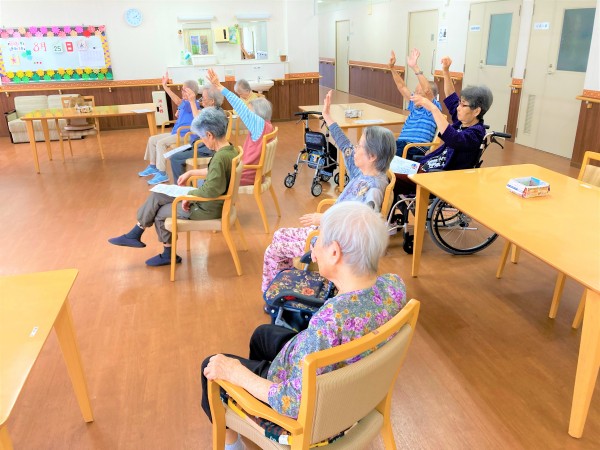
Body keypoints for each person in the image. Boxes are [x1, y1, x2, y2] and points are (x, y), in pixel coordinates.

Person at [201, 202, 407, 449]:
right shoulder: (394, 287)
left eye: (318, 241)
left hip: (313, 413)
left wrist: (236, 374)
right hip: (356, 391)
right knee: (262, 335)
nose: (314, 251)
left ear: (334, 252)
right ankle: (253, 410)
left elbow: (291, 401)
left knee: (210, 366)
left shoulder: (329, 323)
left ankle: (241, 435)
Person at [260, 89, 395, 292]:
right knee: (279, 234)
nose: (354, 149)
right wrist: (327, 116)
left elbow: (359, 228)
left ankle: (271, 293)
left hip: (331, 243)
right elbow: (344, 145)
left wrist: (323, 219)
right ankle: (286, 286)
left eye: (360, 146)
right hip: (326, 231)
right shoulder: (364, 172)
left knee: (273, 250)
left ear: (372, 156)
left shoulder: (374, 189)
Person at [109, 108, 237, 267]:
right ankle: (136, 233)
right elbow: (215, 173)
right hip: (211, 203)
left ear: (210, 135)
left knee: (160, 213)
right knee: (158, 195)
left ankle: (167, 254)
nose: (202, 141)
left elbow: (211, 190)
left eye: (202, 137)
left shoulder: (219, 158)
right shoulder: (229, 150)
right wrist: (191, 173)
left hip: (207, 208)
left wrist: (189, 197)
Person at [394, 55, 493, 196]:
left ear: (476, 111)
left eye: (463, 105)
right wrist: (446, 71)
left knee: (390, 176)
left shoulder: (476, 133)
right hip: (425, 167)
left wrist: (433, 108)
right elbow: (451, 97)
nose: (458, 108)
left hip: (436, 176)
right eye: (460, 103)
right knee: (387, 169)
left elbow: (454, 139)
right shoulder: (462, 121)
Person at [206, 68, 274, 186]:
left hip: (245, 175)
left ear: (257, 115)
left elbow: (239, 106)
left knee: (208, 179)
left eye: (250, 111)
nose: (247, 114)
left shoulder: (259, 125)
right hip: (254, 173)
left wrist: (220, 87)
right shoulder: (268, 126)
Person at [139, 73, 201, 185]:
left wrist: (165, 87)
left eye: (184, 90)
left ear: (190, 92)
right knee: (152, 139)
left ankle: (162, 174)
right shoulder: (185, 104)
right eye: (182, 90)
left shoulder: (193, 103)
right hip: (176, 133)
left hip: (185, 135)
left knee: (161, 143)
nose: (182, 92)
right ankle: (153, 166)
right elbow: (180, 106)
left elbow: (177, 101)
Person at [388, 48, 441, 160]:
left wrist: (414, 66)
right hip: (402, 145)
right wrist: (392, 68)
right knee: (376, 148)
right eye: (415, 92)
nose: (415, 95)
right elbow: (401, 86)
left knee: (384, 160)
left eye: (420, 94)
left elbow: (427, 90)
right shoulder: (414, 105)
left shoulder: (432, 108)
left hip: (414, 148)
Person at [169, 86, 225, 181]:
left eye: (203, 98)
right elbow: (199, 115)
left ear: (212, 101)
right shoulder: (215, 110)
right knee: (174, 153)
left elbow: (198, 121)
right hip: (200, 145)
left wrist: (192, 101)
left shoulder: (214, 113)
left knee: (175, 158)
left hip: (207, 148)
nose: (201, 101)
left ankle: (181, 186)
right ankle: (186, 183)